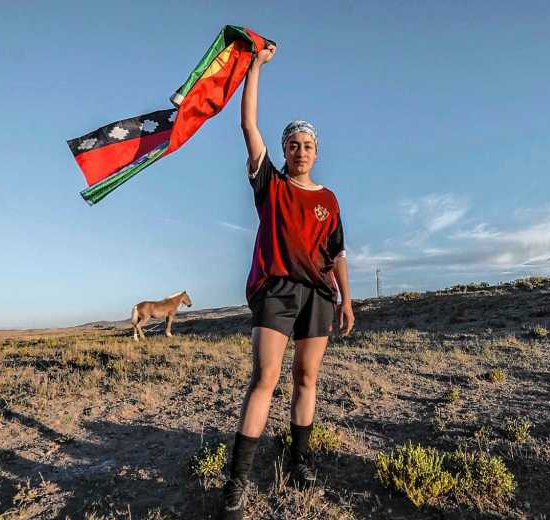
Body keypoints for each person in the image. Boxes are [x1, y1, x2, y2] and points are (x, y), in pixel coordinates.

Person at [220, 41, 355, 519]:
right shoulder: (271, 185)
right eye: (293, 145)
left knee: (306, 377)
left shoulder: (330, 199)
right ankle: (236, 484)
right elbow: (247, 124)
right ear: (283, 150)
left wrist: (346, 299)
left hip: (320, 294)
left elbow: (336, 251)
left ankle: (300, 462)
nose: (301, 151)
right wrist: (255, 65)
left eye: (308, 145)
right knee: (265, 377)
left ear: (317, 152)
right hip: (276, 291)